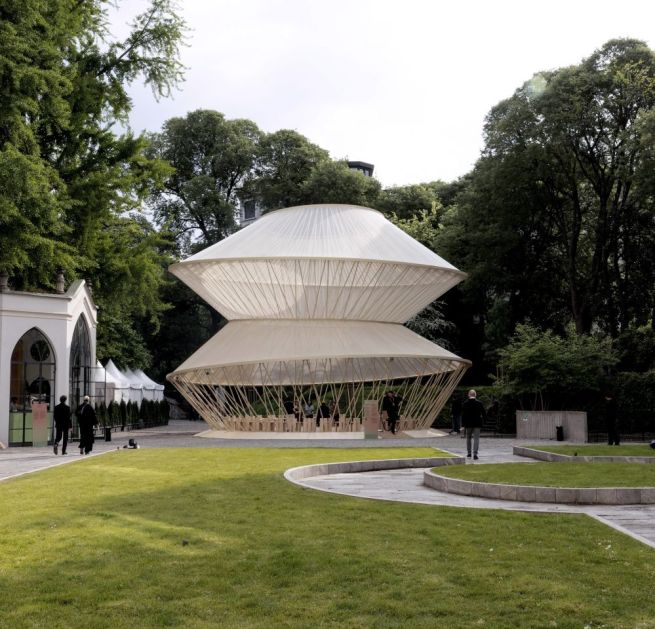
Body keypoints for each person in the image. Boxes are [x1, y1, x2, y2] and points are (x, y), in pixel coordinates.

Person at [461, 389, 486, 460]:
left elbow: (463, 415)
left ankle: (469, 453)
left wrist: (463, 425)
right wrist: (484, 422)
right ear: (475, 395)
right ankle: (475, 454)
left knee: (468, 438)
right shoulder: (479, 403)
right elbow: (484, 413)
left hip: (468, 424)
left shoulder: (465, 404)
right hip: (477, 423)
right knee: (476, 439)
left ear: (469, 395)